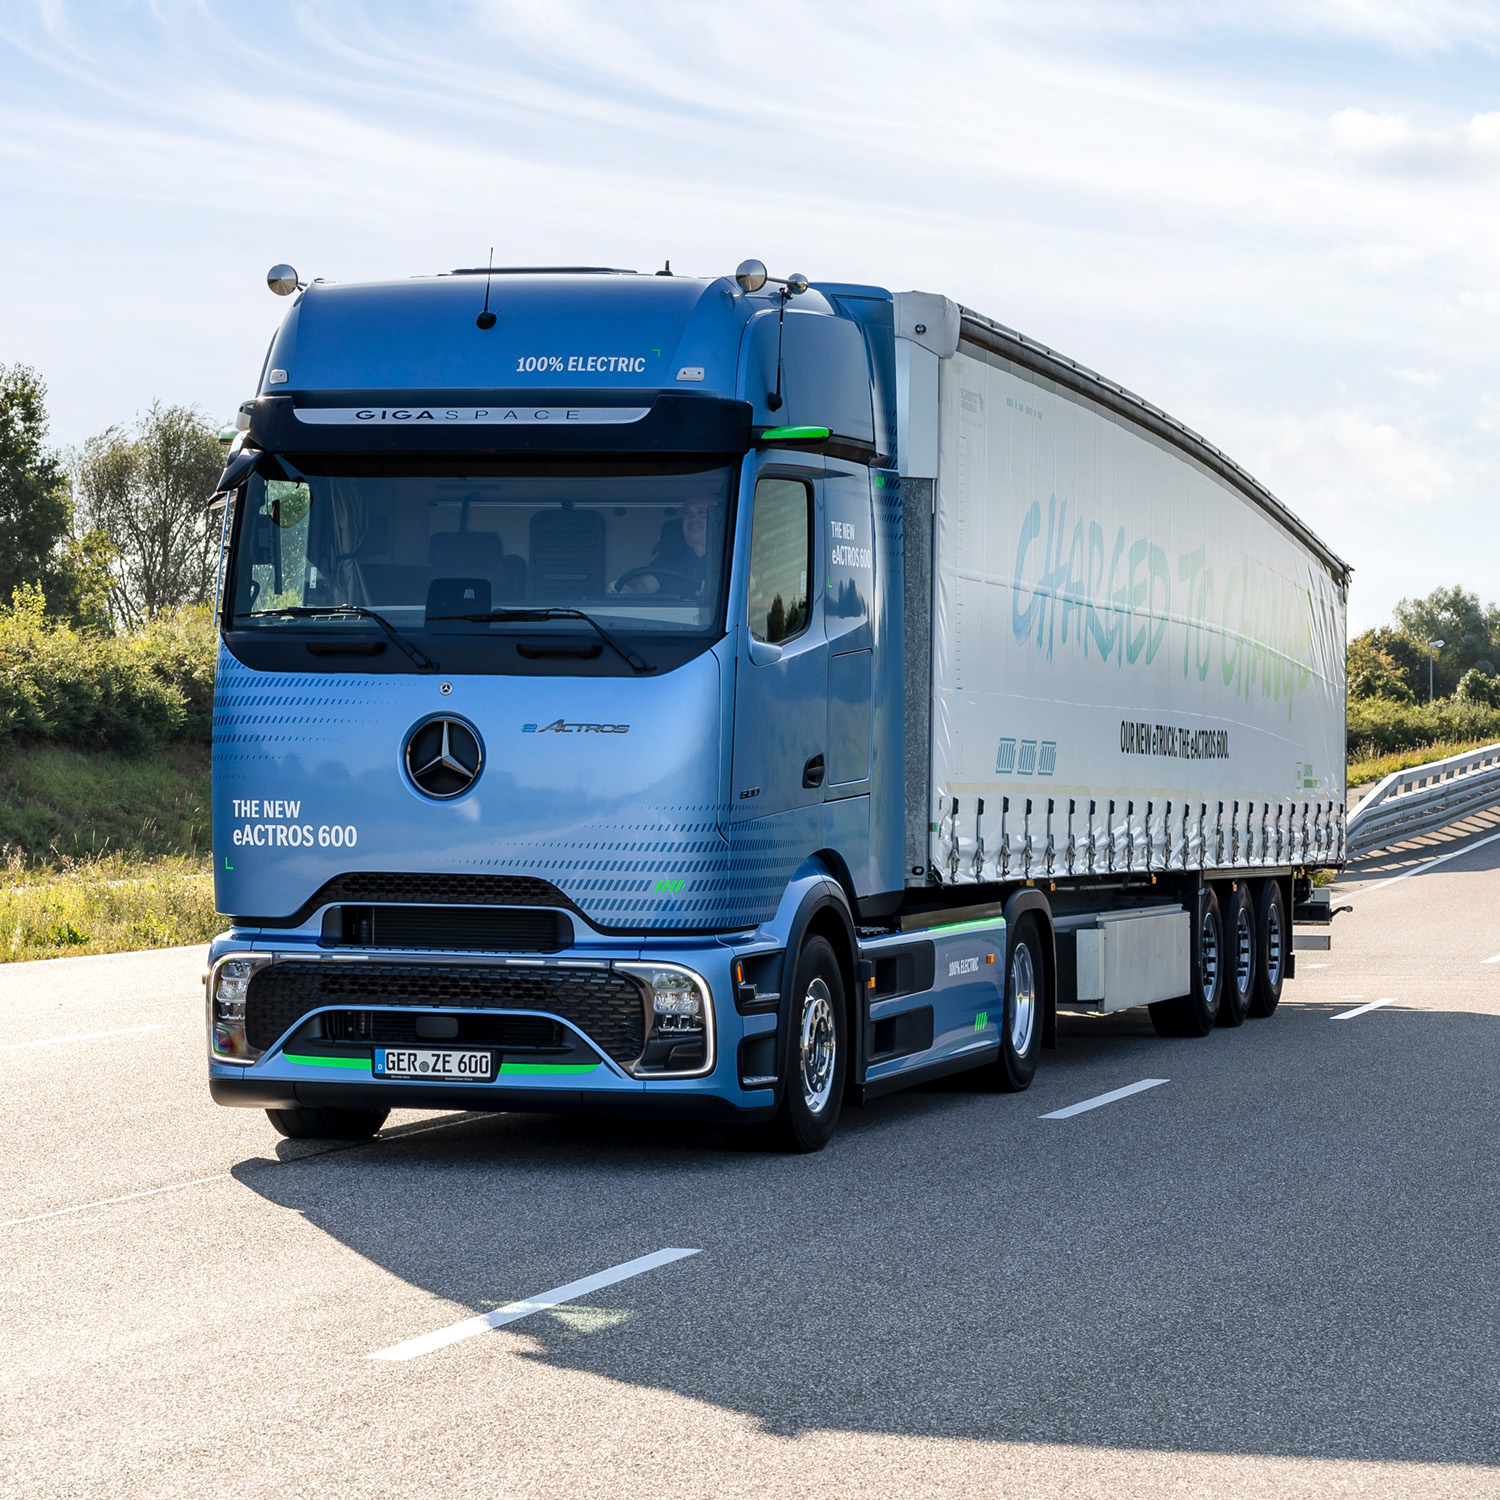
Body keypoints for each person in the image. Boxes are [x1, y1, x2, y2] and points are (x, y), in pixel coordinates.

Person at [616, 493, 718, 595]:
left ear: (717, 518)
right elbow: (646, 583)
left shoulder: (730, 560)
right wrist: (629, 588)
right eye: (687, 513)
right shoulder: (670, 559)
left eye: (702, 512)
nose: (693, 519)